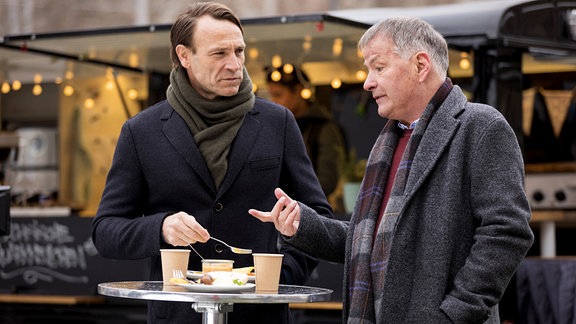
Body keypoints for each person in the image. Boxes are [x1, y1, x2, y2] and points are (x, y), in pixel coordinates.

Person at [249, 17, 534, 324]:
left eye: (379, 67)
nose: (367, 82)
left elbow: (507, 232)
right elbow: (368, 240)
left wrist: (454, 314)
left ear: (420, 65)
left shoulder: (480, 126)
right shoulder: (389, 141)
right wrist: (302, 224)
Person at [91, 3, 332, 324]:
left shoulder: (278, 122)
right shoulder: (141, 131)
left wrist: (283, 271)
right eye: (219, 54)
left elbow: (319, 218)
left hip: (260, 316)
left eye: (239, 51)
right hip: (178, 316)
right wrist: (160, 227)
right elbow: (106, 231)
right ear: (184, 56)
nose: (235, 64)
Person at [265, 65, 346, 197]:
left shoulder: (323, 128)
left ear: (298, 91)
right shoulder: (276, 127)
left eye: (278, 95)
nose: (274, 101)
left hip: (311, 209)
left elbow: (328, 180)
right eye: (271, 96)